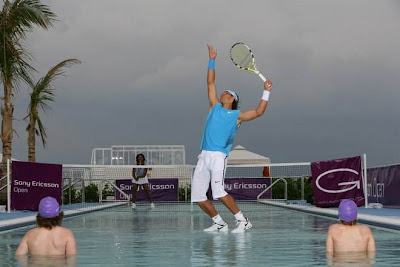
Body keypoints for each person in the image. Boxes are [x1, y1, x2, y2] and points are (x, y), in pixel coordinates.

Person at [191, 44, 273, 233]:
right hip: (203, 156)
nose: (222, 93)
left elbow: (260, 112)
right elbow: (210, 83)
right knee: (197, 196)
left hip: (219, 156)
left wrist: (266, 91)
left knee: (219, 192)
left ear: (233, 99)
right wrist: (212, 60)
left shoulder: (237, 116)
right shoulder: (214, 106)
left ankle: (243, 220)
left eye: (227, 93)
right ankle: (219, 222)